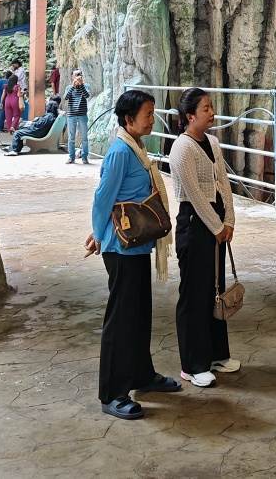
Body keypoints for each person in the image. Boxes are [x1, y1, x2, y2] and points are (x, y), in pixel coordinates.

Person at [84, 89, 181, 419]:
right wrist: (97, 234)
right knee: (121, 320)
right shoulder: (120, 152)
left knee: (139, 314)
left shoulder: (136, 146)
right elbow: (103, 198)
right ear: (129, 119)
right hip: (120, 247)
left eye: (153, 113)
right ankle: (112, 392)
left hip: (138, 244)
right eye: (147, 115)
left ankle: (141, 375)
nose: (152, 119)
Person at [168, 87, 240, 388]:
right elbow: (195, 197)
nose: (212, 113)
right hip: (195, 226)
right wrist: (217, 226)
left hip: (216, 225)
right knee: (195, 294)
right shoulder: (182, 149)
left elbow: (223, 182)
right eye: (206, 108)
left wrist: (230, 220)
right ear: (190, 116)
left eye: (212, 107)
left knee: (215, 288)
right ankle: (192, 363)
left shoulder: (212, 142)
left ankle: (216, 354)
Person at [63, 69, 90, 165]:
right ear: (72, 76)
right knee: (71, 138)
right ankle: (71, 157)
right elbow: (66, 97)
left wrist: (81, 85)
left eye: (80, 74)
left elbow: (87, 95)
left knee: (84, 138)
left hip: (82, 115)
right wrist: (73, 86)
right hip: (71, 115)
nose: (78, 76)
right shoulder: (69, 87)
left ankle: (84, 157)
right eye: (76, 74)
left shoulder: (85, 86)